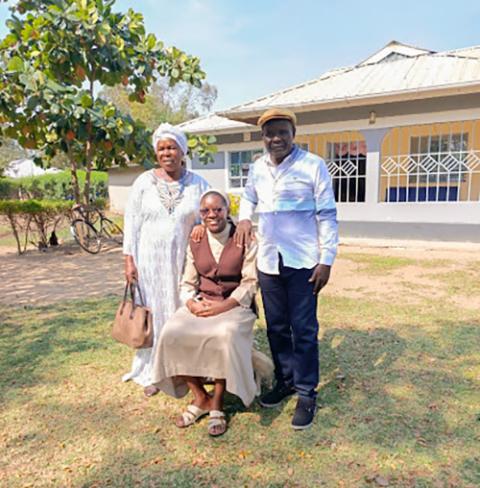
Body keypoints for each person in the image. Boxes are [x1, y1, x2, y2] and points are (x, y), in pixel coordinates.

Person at [235, 108, 338, 430]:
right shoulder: (257, 167)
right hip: (268, 260)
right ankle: (286, 380)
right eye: (269, 133)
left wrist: (327, 260)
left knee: (304, 329)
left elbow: (327, 215)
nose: (275, 138)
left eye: (282, 132)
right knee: (277, 327)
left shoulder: (313, 165)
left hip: (304, 261)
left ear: (293, 133)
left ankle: (307, 391)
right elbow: (248, 197)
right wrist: (244, 218)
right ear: (262, 137)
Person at [151, 190, 259, 437]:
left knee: (224, 336)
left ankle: (218, 402)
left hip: (235, 306)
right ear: (200, 215)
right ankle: (200, 397)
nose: (212, 215)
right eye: (206, 211)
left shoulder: (245, 237)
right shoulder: (196, 238)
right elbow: (188, 283)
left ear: (227, 210)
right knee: (171, 332)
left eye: (218, 209)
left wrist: (224, 307)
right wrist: (191, 304)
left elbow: (250, 282)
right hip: (203, 302)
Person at [122, 123, 210, 396]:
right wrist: (129, 260)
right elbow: (131, 222)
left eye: (171, 147)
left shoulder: (198, 183)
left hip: (183, 262)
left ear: (182, 151)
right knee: (154, 313)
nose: (166, 153)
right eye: (161, 148)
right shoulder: (143, 182)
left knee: (180, 311)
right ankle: (153, 371)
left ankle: (185, 368)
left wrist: (202, 226)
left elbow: (213, 211)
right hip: (149, 262)